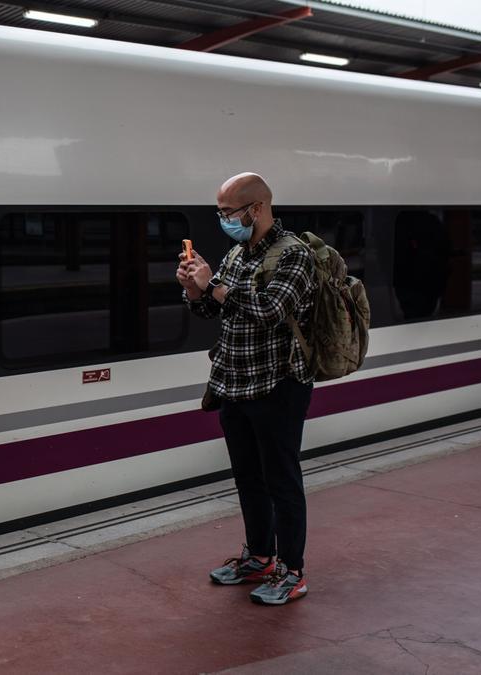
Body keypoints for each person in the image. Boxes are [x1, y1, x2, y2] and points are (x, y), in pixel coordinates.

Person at [176, 172, 317, 606]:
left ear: (256, 209)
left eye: (228, 213)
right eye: (220, 213)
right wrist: (193, 289)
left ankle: (292, 571)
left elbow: (270, 310)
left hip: (278, 385)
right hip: (234, 384)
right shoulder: (239, 253)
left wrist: (214, 286)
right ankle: (260, 556)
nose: (223, 221)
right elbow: (216, 311)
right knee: (248, 477)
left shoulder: (294, 255)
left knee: (282, 479)